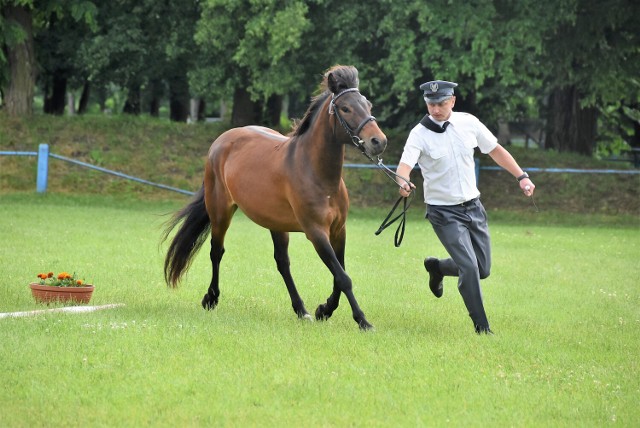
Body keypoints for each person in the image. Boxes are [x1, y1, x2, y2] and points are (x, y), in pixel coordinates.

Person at [395, 80, 535, 334]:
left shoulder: (469, 122)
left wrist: (521, 176)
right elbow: (404, 166)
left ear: (453, 101)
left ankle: (437, 267)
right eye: (431, 104)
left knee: (482, 269)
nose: (435, 109)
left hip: (473, 207)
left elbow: (495, 150)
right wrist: (403, 182)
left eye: (441, 103)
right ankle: (482, 328)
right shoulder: (419, 133)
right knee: (469, 268)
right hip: (443, 212)